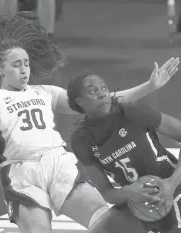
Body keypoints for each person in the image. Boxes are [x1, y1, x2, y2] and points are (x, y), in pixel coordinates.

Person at [0, 11, 180, 233]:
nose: (25, 69)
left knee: (105, 223)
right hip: (22, 172)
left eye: (26, 63)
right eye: (17, 65)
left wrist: (148, 87)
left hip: (58, 165)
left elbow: (103, 102)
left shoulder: (45, 92)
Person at [68, 70, 181, 233]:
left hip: (174, 187)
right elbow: (107, 193)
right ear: (80, 102)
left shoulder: (134, 113)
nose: (101, 94)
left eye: (104, 88)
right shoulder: (81, 140)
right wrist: (128, 192)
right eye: (92, 91)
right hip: (137, 202)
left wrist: (171, 183)